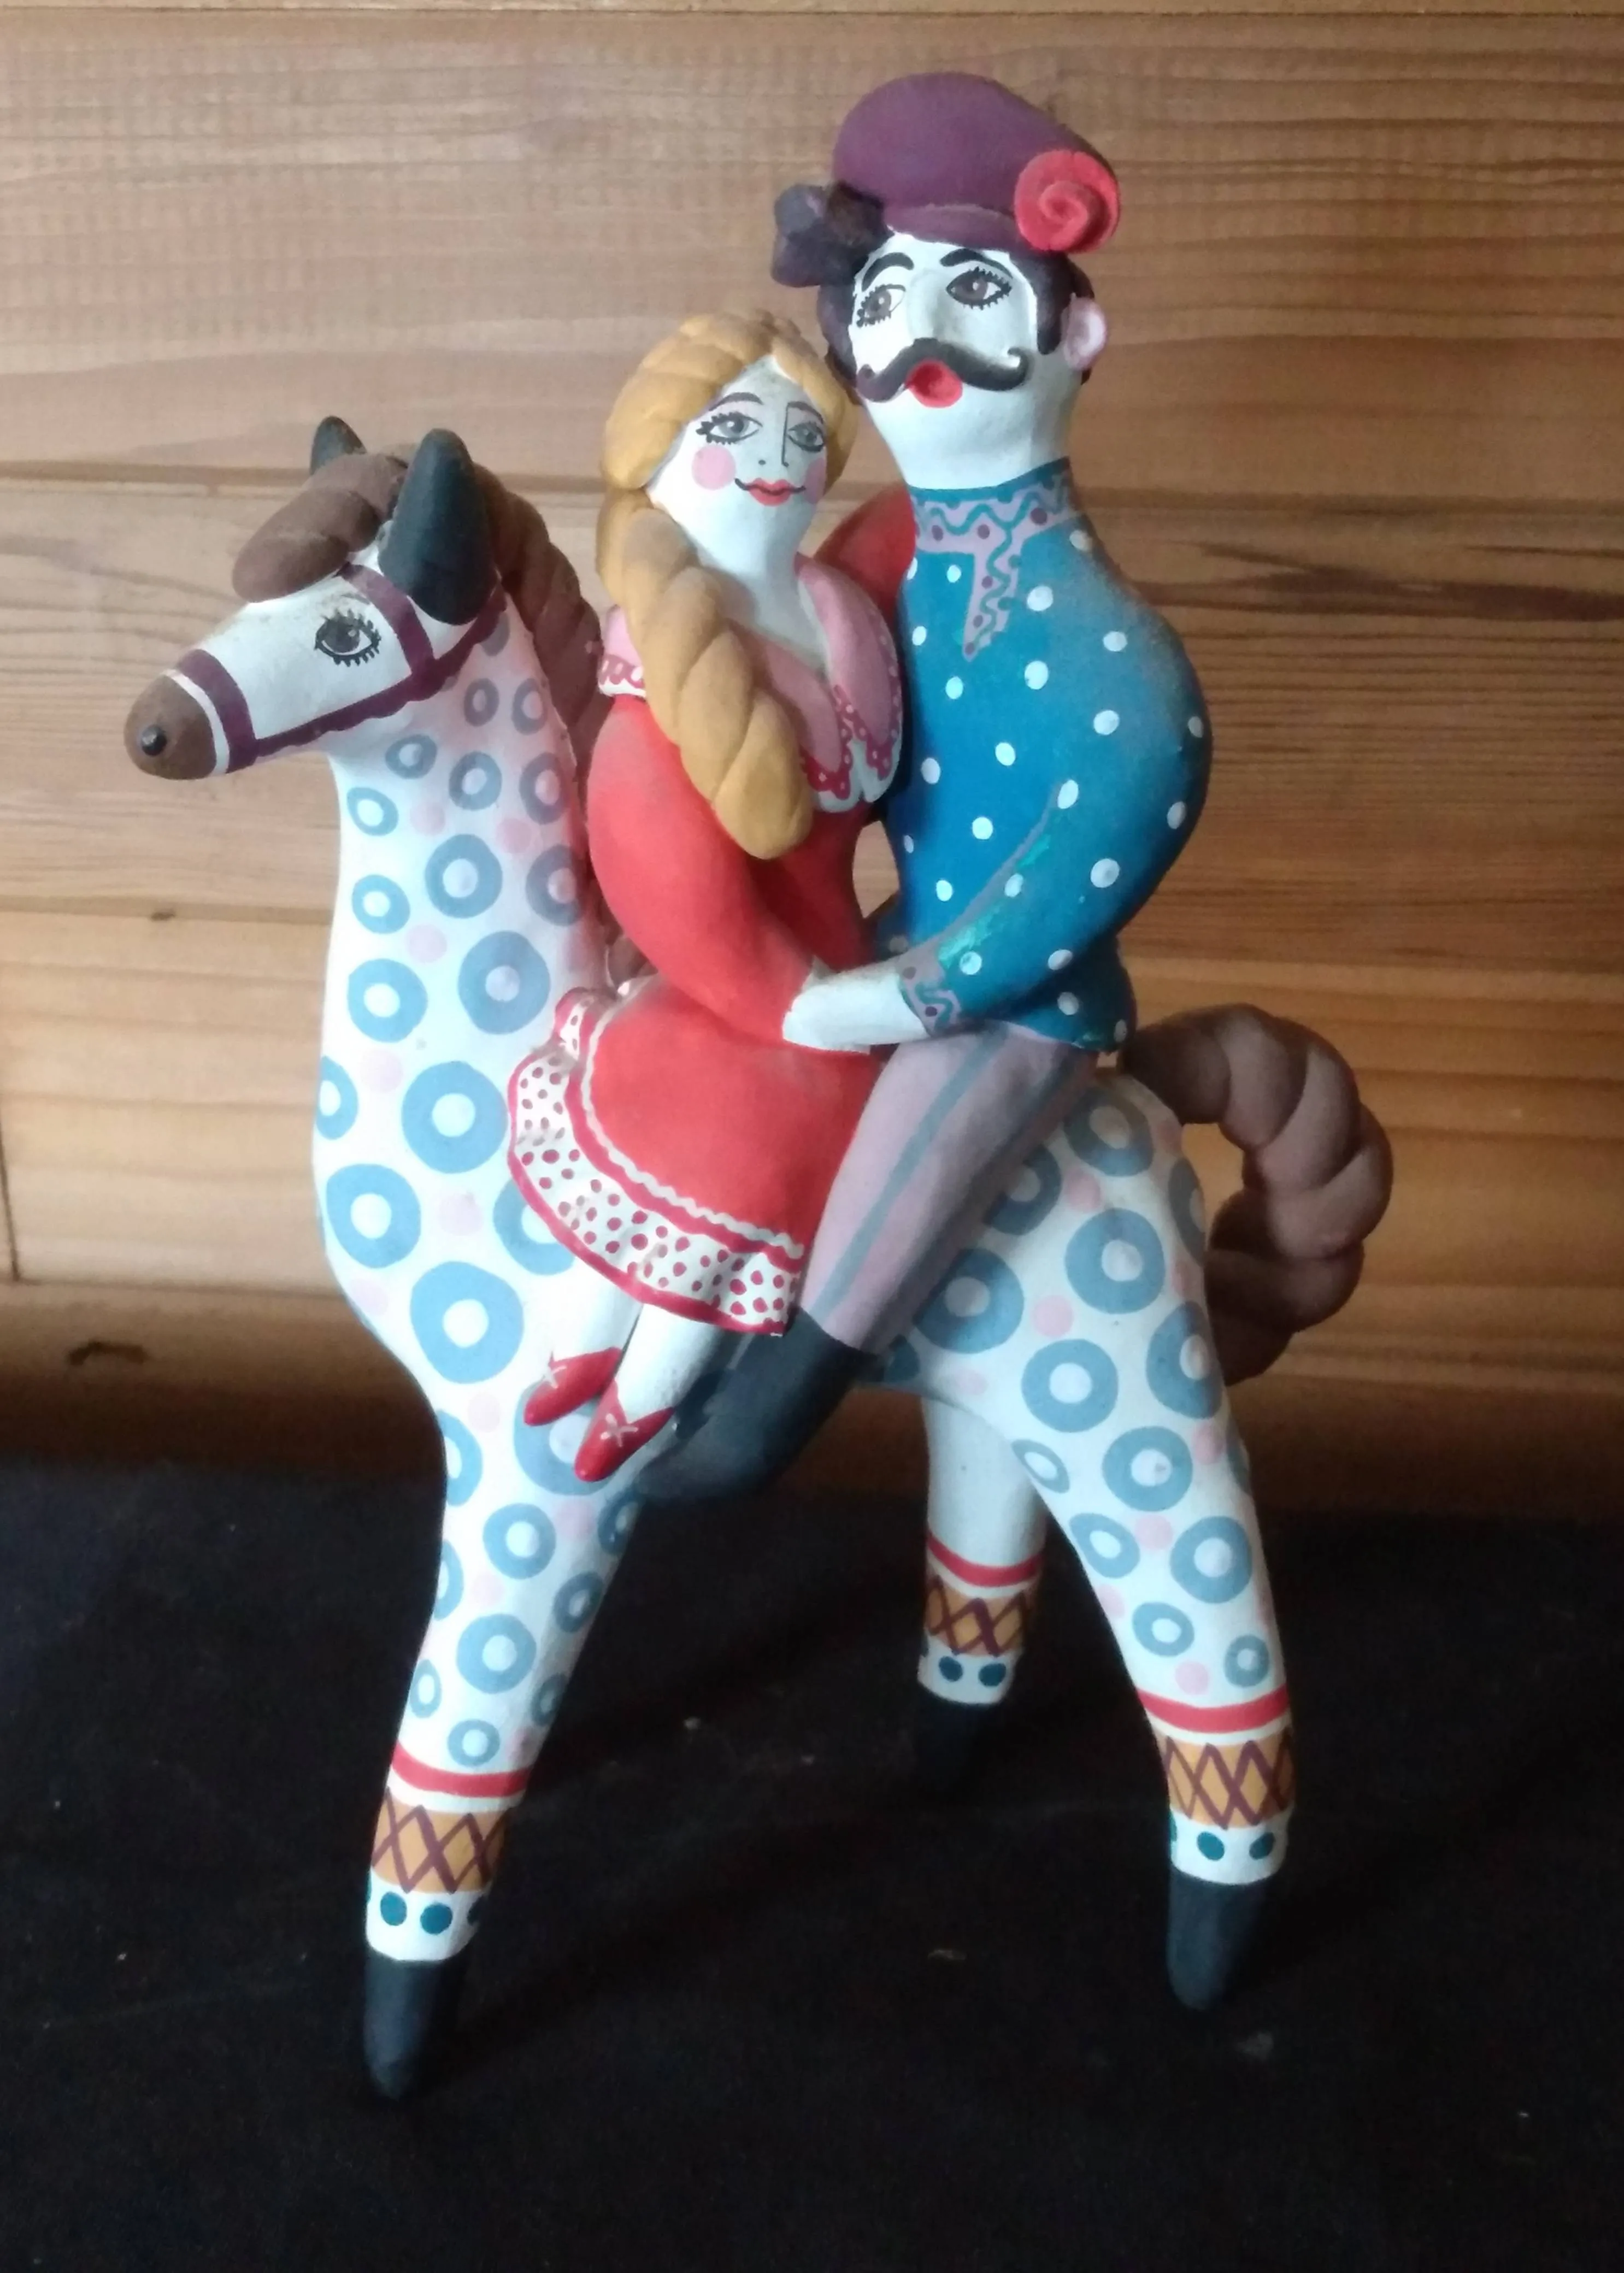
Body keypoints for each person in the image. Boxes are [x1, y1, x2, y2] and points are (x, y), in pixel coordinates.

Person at [642, 73, 1390, 1503]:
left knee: (905, 1165)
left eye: (974, 289)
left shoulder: (1112, 656)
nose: (920, 327)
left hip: (1014, 1010)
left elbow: (1111, 817)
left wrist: (908, 995)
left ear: (1074, 336)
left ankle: (770, 1406)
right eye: (888, 297)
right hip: (887, 939)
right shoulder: (893, 571)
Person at [506, 311, 901, 1479]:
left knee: (812, 1110)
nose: (776, 457)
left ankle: (648, 1375)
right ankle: (623, 1367)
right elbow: (671, 880)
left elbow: (921, 528)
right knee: (742, 1126)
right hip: (753, 991)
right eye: (733, 430)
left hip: (841, 966)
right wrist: (805, 1005)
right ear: (660, 461)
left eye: (801, 435)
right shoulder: (665, 678)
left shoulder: (843, 613)